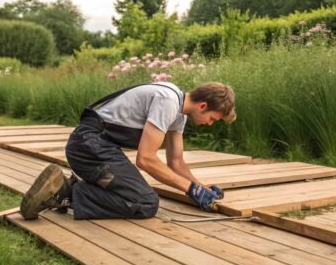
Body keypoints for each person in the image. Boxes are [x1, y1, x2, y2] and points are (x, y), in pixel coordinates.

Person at [20, 81, 236, 220]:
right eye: (212, 119)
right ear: (203, 106)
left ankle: (70, 187)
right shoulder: (168, 101)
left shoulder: (179, 114)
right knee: (145, 202)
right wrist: (190, 189)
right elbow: (146, 159)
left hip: (97, 148)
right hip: (89, 146)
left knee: (139, 196)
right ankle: (66, 193)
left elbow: (176, 162)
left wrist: (200, 187)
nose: (209, 124)